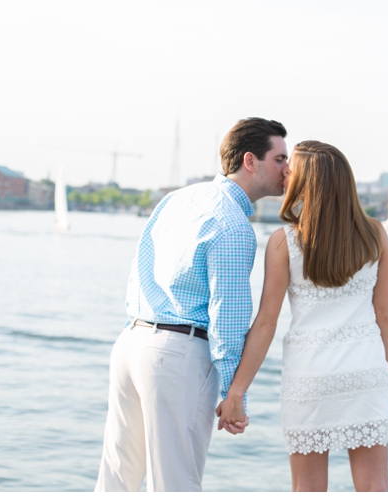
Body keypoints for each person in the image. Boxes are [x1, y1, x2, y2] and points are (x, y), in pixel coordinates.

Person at [94, 118, 289, 493]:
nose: (287, 169)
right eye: (279, 159)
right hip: (176, 356)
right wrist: (235, 394)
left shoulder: (179, 198)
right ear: (251, 161)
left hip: (131, 343)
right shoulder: (233, 226)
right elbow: (227, 322)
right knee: (176, 484)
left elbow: (141, 269)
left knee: (116, 480)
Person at [217, 141, 388, 493]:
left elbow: (266, 323)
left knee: (308, 489)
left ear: (306, 183)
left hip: (309, 377)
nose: (285, 172)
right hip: (367, 374)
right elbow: (384, 318)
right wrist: (384, 379)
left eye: (291, 170)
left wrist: (236, 391)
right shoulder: (376, 234)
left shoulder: (285, 242)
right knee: (374, 486)